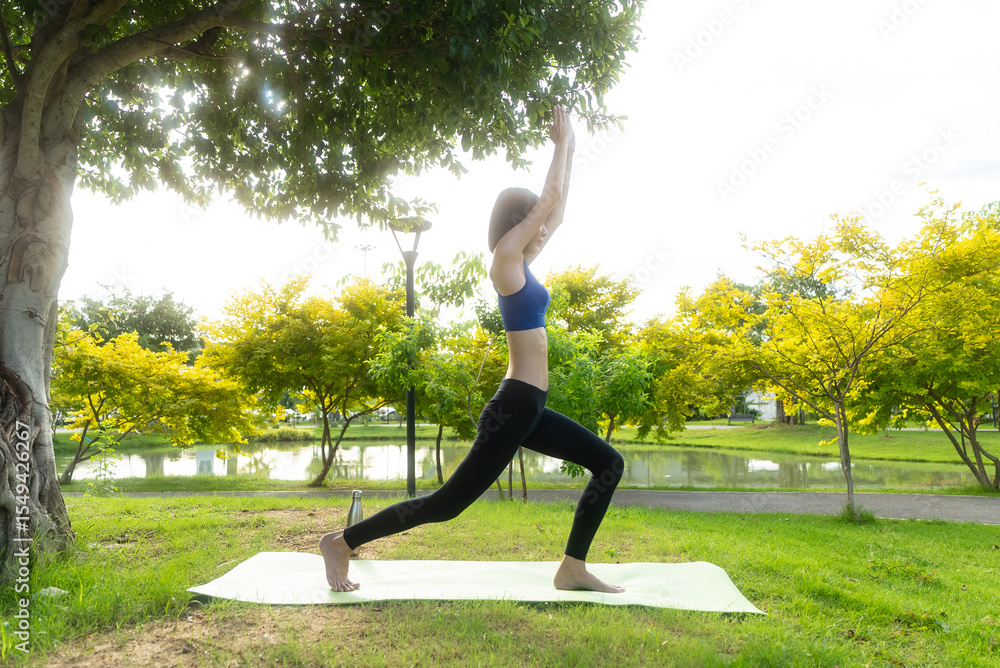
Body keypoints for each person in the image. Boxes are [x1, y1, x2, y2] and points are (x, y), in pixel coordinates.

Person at [320, 105, 625, 593]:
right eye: (533, 222)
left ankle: (572, 567)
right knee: (446, 504)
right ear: (516, 223)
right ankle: (343, 541)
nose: (542, 229)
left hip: (533, 405)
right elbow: (549, 201)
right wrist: (559, 146)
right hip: (513, 405)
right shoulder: (505, 260)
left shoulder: (524, 264)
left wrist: (571, 145)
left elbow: (557, 207)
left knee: (608, 463)